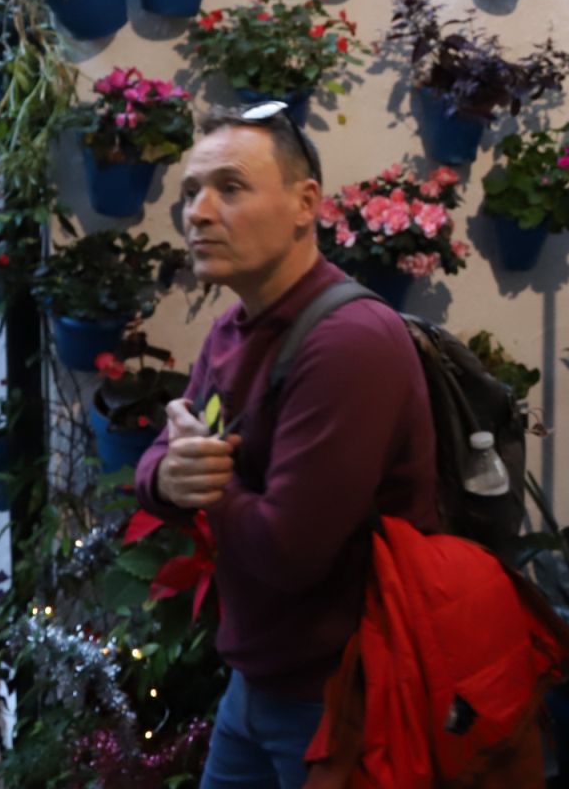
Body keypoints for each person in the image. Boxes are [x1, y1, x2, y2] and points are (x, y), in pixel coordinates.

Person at [134, 103, 440, 789]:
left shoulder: (348, 343)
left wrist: (208, 482)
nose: (198, 213)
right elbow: (163, 457)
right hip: (255, 684)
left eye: (230, 188)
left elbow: (289, 553)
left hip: (340, 699)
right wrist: (170, 477)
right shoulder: (233, 329)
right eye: (190, 191)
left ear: (306, 205)